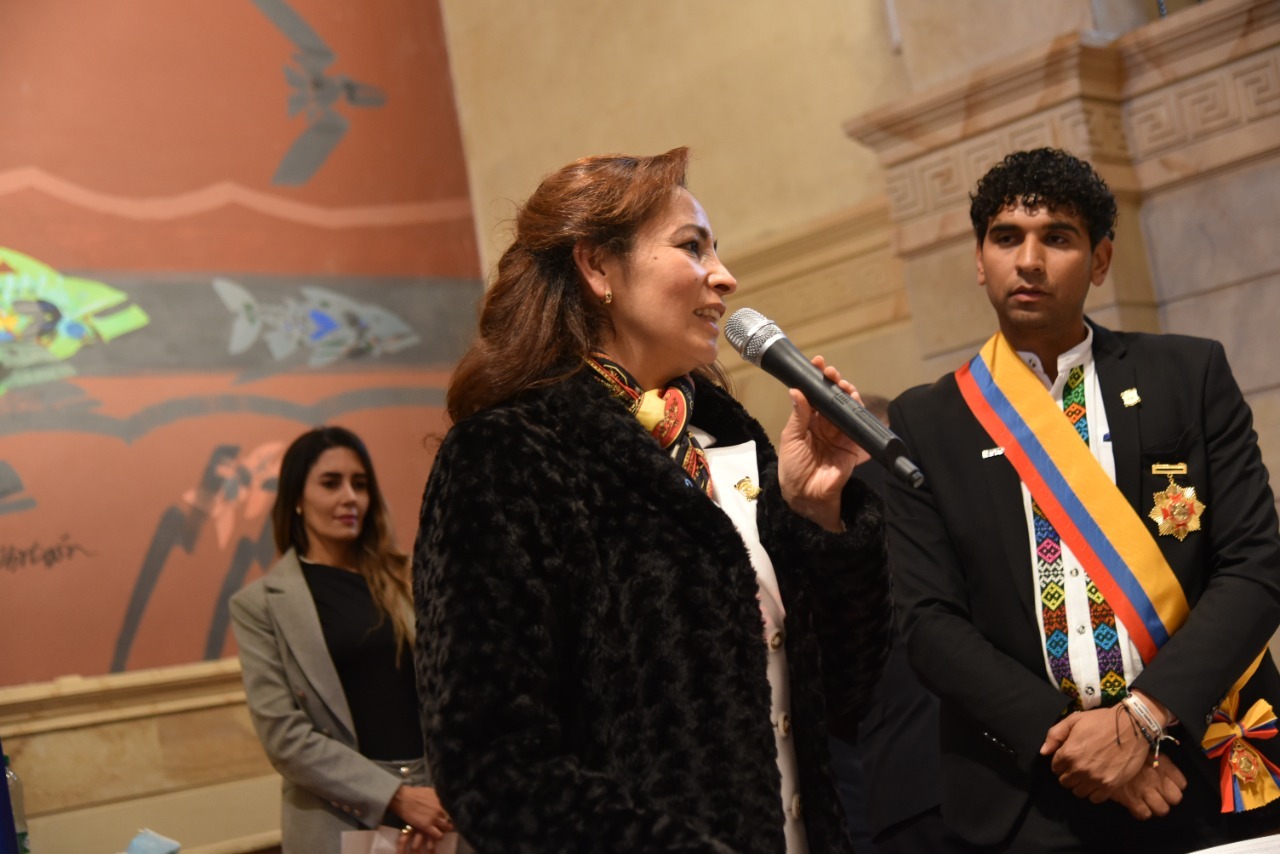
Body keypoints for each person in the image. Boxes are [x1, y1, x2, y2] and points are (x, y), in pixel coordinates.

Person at [412, 147, 891, 853]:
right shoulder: (508, 456)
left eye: (716, 250)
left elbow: (843, 697)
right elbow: (492, 765)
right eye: (692, 247)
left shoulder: (735, 443)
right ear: (597, 268)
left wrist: (818, 513)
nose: (724, 276)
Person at [886, 147, 1280, 851]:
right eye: (1006, 237)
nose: (1028, 261)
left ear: (1100, 260)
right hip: (1031, 792)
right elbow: (928, 621)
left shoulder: (1187, 374)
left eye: (1058, 238)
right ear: (979, 259)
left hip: (1199, 764)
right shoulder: (929, 420)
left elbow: (1255, 566)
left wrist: (1142, 718)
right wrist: (1076, 744)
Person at [230, 426, 454, 854]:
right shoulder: (259, 605)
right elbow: (285, 737)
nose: (350, 497)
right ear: (297, 498)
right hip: (339, 817)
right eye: (331, 483)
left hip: (439, 808)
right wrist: (397, 796)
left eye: (360, 484)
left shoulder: (413, 576)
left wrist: (437, 792)